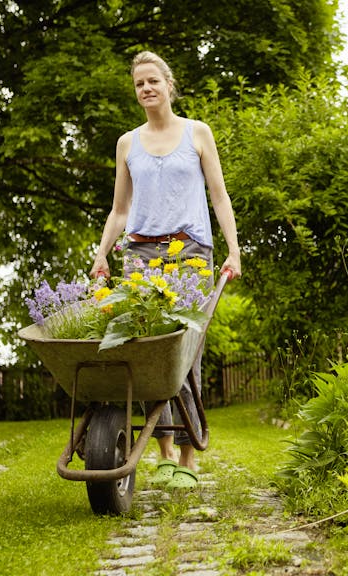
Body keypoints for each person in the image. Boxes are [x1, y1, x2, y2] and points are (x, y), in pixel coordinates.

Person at [90, 51, 241, 490]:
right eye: (139, 84)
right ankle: (165, 452)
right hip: (140, 254)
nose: (146, 89)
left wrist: (233, 249)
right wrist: (102, 254)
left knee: (185, 353)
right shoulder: (127, 144)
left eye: (153, 80)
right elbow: (119, 210)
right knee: (147, 352)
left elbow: (220, 197)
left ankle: (189, 458)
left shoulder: (197, 133)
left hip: (190, 251)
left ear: (169, 85)